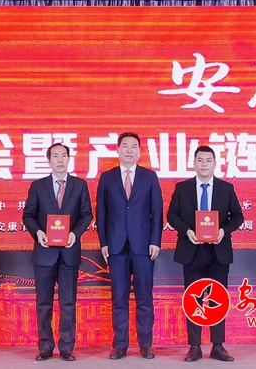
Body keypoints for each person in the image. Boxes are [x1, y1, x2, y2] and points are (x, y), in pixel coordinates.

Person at [166, 145, 244, 362]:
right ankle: (195, 346)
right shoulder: (182, 188)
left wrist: (223, 231)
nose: (204, 164)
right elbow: (172, 216)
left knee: (218, 298)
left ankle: (218, 346)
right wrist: (187, 231)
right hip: (192, 250)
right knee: (194, 299)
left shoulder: (226, 188)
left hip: (218, 252)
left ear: (215, 164)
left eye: (208, 160)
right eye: (200, 160)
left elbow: (238, 217)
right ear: (194, 163)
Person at [96, 132, 163, 360]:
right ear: (117, 150)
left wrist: (155, 241)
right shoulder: (107, 178)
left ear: (139, 152)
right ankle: (120, 345)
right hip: (115, 246)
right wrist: (104, 243)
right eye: (125, 146)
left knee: (144, 297)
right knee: (119, 297)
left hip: (143, 246)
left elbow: (157, 212)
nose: (129, 150)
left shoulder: (149, 177)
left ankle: (146, 344)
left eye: (134, 146)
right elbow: (101, 213)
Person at [23, 143, 93, 362]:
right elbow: (28, 216)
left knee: (68, 303)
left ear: (69, 159)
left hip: (69, 252)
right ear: (49, 161)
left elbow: (87, 215)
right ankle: (45, 346)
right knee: (43, 304)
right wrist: (38, 233)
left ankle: (66, 347)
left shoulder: (80, 185)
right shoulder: (38, 186)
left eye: (64, 156)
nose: (60, 160)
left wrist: (75, 233)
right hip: (44, 253)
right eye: (56, 156)